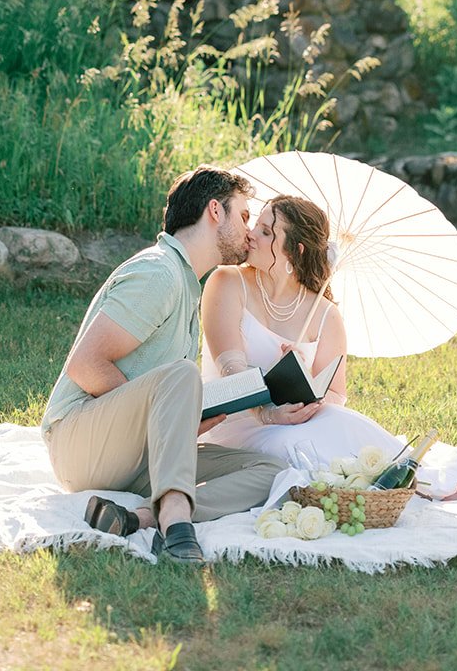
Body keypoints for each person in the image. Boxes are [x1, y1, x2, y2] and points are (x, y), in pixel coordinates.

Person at [41, 166, 285, 563]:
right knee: (183, 374)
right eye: (243, 216)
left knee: (270, 470)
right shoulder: (159, 273)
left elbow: (154, 391)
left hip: (134, 454)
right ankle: (175, 523)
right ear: (214, 211)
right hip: (81, 444)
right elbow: (84, 365)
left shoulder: (189, 284)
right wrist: (165, 412)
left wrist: (180, 418)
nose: (249, 230)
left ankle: (140, 517)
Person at [200, 193, 457, 503]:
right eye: (256, 225)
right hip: (238, 425)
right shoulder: (227, 282)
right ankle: (404, 492)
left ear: (294, 252)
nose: (251, 235)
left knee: (343, 422)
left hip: (297, 420)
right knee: (295, 447)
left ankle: (422, 483)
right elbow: (231, 370)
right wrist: (269, 413)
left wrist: (304, 388)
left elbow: (336, 395)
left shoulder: (325, 314)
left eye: (266, 232)